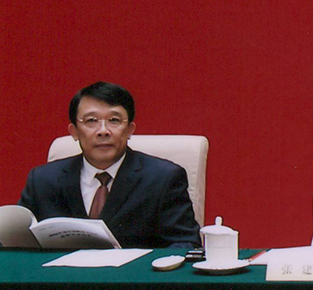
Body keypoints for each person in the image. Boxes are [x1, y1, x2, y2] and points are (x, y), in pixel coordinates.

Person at [18, 82, 200, 249]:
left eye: (114, 120)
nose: (103, 131)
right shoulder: (42, 180)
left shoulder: (163, 178)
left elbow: (185, 244)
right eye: (91, 121)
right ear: (74, 132)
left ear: (130, 130)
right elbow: (18, 241)